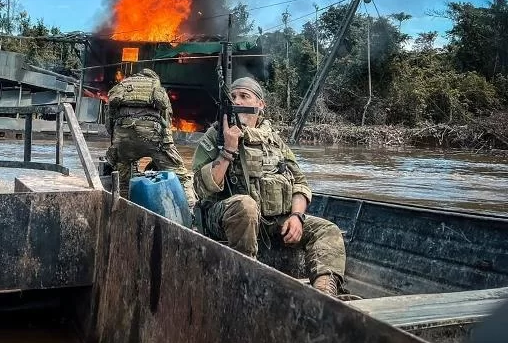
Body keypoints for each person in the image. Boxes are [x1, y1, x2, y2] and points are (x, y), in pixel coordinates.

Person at [191, 76, 346, 296]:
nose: (238, 101)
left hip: (271, 221)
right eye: (233, 97)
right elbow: (200, 187)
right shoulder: (215, 135)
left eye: (244, 96)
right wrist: (227, 150)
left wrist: (297, 217)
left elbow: (300, 183)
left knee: (326, 229)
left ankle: (325, 292)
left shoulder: (274, 140)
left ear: (260, 104)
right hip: (224, 218)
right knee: (246, 205)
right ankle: (246, 279)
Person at [104, 68, 196, 209]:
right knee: (179, 173)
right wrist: (167, 147)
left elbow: (109, 119)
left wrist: (117, 144)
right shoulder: (156, 87)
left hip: (122, 137)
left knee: (123, 180)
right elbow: (167, 120)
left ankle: (122, 208)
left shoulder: (122, 86)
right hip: (151, 136)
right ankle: (191, 208)